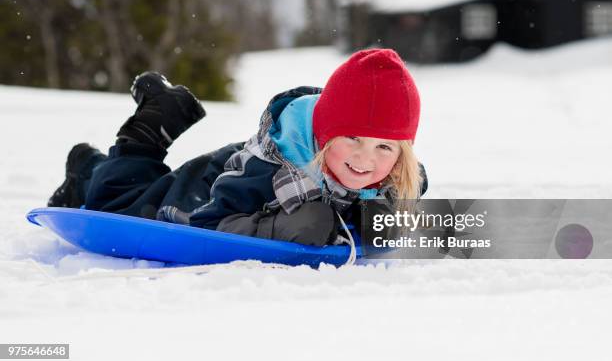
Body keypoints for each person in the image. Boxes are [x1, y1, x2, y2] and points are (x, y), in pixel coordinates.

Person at [48, 48, 428, 247]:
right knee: (116, 202)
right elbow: (208, 222)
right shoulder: (264, 174)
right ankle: (116, 148)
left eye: (384, 147)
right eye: (352, 139)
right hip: (204, 189)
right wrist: (278, 228)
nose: (366, 159)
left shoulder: (394, 171)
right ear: (325, 135)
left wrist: (389, 215)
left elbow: (414, 185)